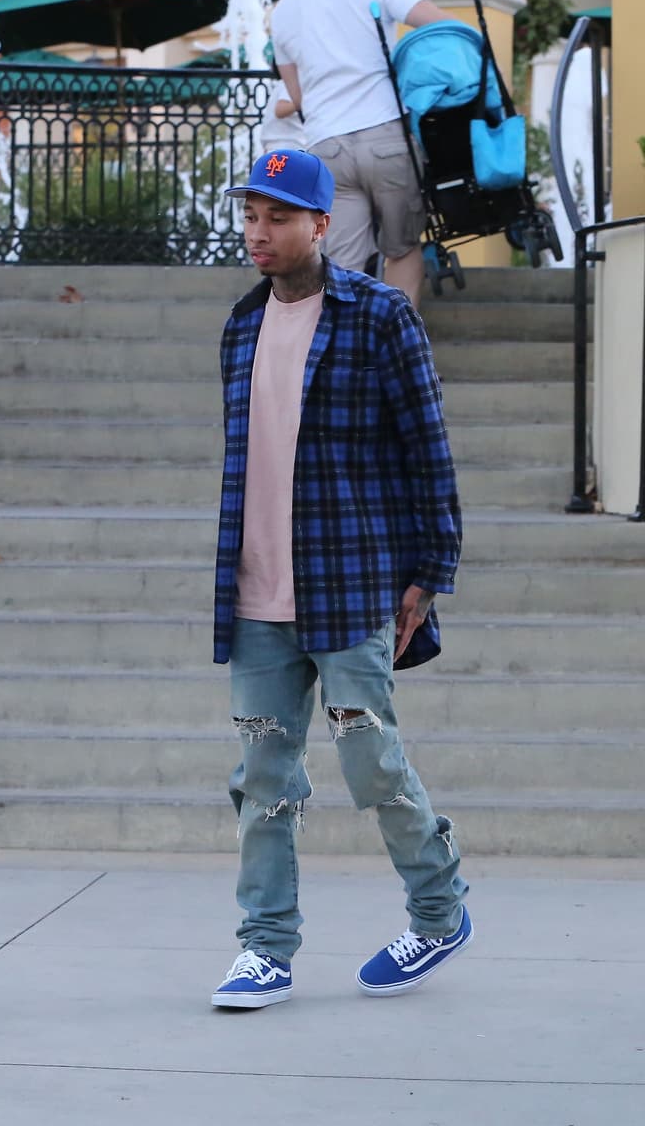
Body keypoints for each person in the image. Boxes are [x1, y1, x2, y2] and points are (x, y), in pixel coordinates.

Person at [209, 148, 469, 1010]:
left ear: (322, 224)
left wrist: (429, 569)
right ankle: (265, 948)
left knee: (372, 759)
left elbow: (428, 449)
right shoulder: (242, 325)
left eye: (279, 216)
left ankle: (438, 911)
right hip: (257, 592)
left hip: (351, 578)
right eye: (251, 215)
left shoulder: (381, 316)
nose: (260, 232)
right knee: (264, 778)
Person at [271, 0, 452, 308]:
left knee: (342, 268)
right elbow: (439, 25)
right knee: (402, 249)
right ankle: (397, 348)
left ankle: (350, 354)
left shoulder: (284, 9)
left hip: (326, 148)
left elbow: (297, 96)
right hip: (385, 135)